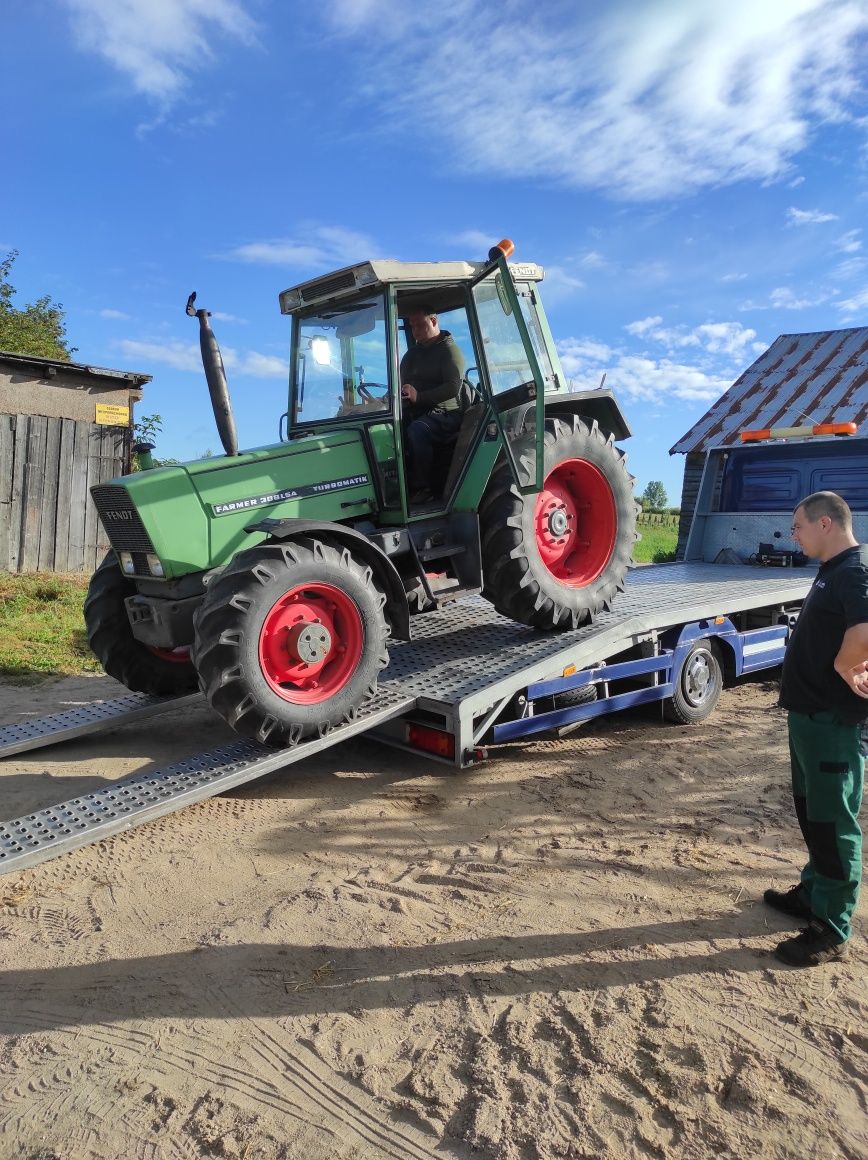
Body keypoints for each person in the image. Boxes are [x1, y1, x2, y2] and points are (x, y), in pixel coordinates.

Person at [766, 491, 868, 967]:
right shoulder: (832, 571)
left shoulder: (856, 571)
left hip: (833, 723)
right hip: (809, 720)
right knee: (812, 815)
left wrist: (848, 665)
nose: (794, 535)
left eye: (798, 527)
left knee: (833, 825)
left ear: (825, 524)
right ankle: (812, 893)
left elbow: (865, 631)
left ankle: (831, 927)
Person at [399, 308, 465, 504]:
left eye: (420, 325)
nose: (416, 331)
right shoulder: (411, 356)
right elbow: (399, 384)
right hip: (416, 411)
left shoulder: (449, 351)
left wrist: (419, 397)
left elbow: (453, 388)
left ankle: (422, 489)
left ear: (434, 321)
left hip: (445, 414)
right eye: (412, 326)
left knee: (418, 430)